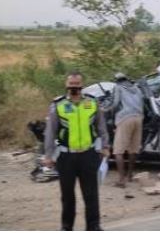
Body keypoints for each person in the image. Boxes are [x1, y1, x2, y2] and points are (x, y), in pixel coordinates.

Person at [43, 72, 109, 231]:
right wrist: (48, 155)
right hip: (66, 157)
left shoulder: (92, 103)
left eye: (77, 85)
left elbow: (101, 128)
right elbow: (50, 132)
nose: (74, 88)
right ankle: (67, 227)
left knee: (91, 195)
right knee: (67, 197)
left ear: (82, 85)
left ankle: (94, 227)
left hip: (88, 155)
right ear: (66, 86)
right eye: (71, 85)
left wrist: (105, 147)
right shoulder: (58, 105)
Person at [109, 73, 144, 188]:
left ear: (117, 80)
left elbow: (115, 104)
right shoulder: (137, 88)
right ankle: (129, 175)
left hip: (125, 118)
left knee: (118, 151)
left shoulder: (118, 88)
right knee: (133, 149)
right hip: (138, 118)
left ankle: (121, 180)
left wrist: (106, 110)